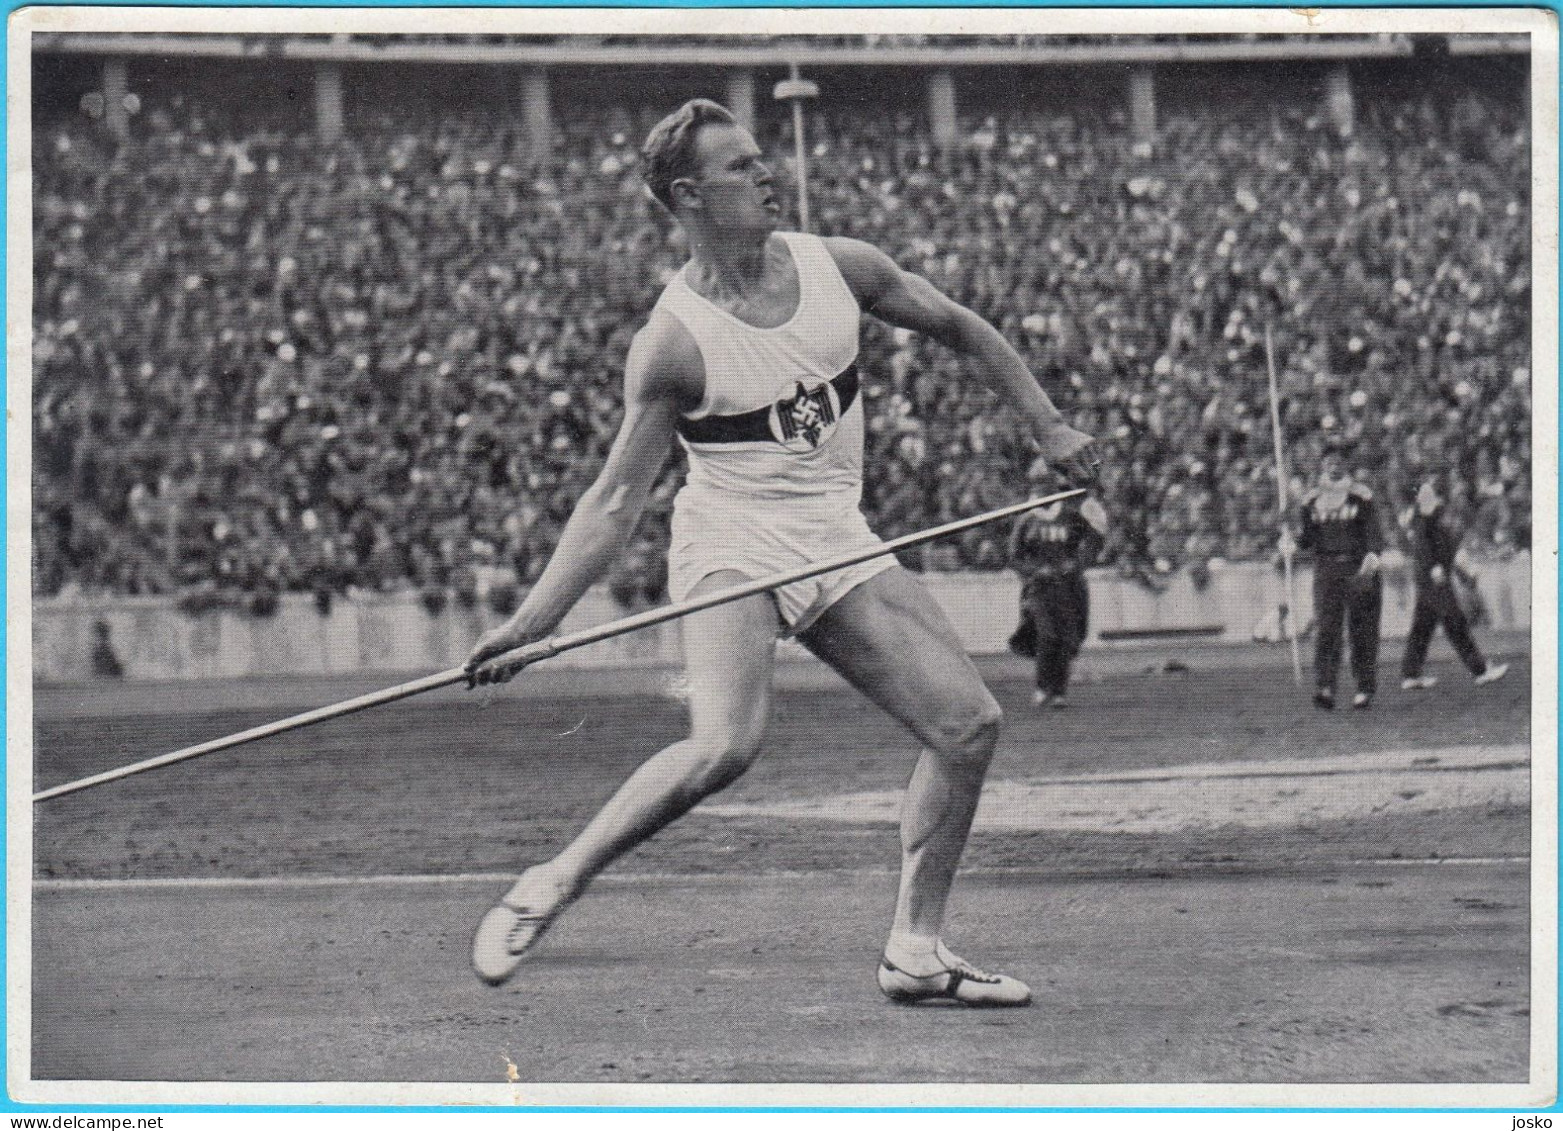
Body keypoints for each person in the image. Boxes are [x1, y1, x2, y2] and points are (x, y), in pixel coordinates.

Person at [462, 99, 1096, 1007]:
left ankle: (915, 948)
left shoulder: (838, 267)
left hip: (834, 532)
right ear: (688, 196)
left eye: (763, 159)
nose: (768, 176)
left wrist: (1048, 424)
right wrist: (531, 623)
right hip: (731, 536)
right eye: (740, 167)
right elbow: (613, 499)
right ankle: (551, 881)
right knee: (724, 744)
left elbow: (960, 326)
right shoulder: (673, 343)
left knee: (967, 727)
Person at [1287, 441, 1384, 710]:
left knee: (1361, 629)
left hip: (1356, 566)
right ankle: (1326, 686)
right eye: (1329, 460)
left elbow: (1374, 531)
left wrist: (1373, 555)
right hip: (1327, 569)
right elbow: (1307, 538)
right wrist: (1291, 540)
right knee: (1327, 629)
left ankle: (1364, 687)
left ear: (1346, 463)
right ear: (1323, 464)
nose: (1334, 464)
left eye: (1339, 459)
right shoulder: (1312, 499)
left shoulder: (1360, 496)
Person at [1007, 459, 1107, 709]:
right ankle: (1043, 687)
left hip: (1068, 586)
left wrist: (1078, 563)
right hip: (1040, 588)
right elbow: (1014, 554)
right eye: (1040, 484)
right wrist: (1034, 571)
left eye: (1048, 484)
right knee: (1047, 635)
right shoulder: (1027, 518)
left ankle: (1059, 690)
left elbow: (1094, 538)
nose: (1044, 489)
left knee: (1067, 638)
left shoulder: (1070, 514)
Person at [1399, 478, 1509, 691]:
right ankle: (1480, 670)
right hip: (1432, 577)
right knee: (1454, 621)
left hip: (1430, 577)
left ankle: (1410, 673)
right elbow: (1423, 543)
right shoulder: (1427, 513)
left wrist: (1463, 573)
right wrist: (1434, 567)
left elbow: (1447, 549)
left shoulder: (1437, 515)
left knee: (1423, 626)